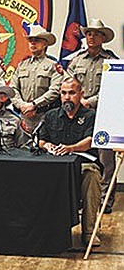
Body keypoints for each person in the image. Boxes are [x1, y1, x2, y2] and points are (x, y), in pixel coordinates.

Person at [39, 78, 101, 247]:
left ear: (81, 94)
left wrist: (71, 148)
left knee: (92, 177)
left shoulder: (90, 116)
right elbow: (41, 140)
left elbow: (90, 141)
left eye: (72, 93)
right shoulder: (51, 115)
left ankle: (88, 231)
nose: (67, 97)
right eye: (64, 93)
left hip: (83, 164)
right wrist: (47, 145)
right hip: (56, 166)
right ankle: (47, 229)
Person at [68, 18, 118, 214]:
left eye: (96, 34)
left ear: (103, 38)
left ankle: (105, 201)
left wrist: (90, 101)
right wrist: (78, 101)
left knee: (106, 161)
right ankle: (82, 199)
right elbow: (68, 84)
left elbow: (114, 88)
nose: (91, 37)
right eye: (88, 33)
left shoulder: (111, 61)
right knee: (81, 156)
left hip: (103, 116)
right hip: (80, 118)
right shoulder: (76, 60)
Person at [10, 25, 63, 133]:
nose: (33, 43)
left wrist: (34, 105)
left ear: (45, 44)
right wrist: (22, 106)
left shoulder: (53, 65)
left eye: (37, 40)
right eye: (31, 40)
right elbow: (13, 89)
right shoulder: (22, 65)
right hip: (23, 115)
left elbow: (55, 90)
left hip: (45, 114)